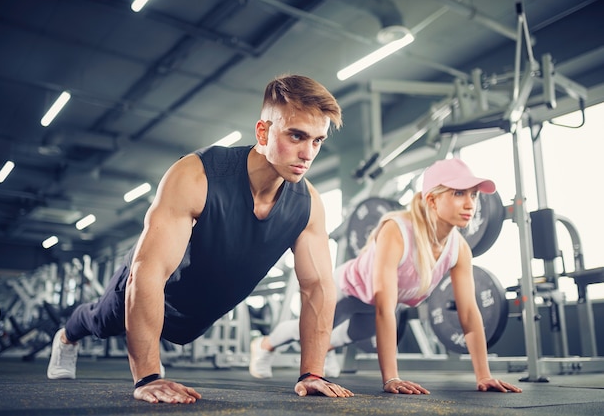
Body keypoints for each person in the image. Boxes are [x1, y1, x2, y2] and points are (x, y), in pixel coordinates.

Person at [46, 74, 354, 404]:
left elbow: (318, 287)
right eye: (296, 136)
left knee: (182, 330)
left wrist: (312, 373)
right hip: (152, 288)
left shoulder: (307, 204)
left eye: (317, 141)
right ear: (263, 133)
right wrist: (148, 377)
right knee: (103, 320)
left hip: (199, 311)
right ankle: (66, 336)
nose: (308, 153)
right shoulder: (197, 175)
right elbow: (148, 273)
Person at [250, 158, 523, 394]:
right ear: (432, 199)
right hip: (349, 287)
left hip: (374, 305)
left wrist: (483, 375)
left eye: (473, 195)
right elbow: (385, 307)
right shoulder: (397, 229)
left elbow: (469, 315)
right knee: (309, 329)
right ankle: (264, 345)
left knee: (343, 337)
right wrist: (391, 378)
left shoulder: (459, 248)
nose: (470, 204)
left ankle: (327, 349)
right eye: (459, 193)